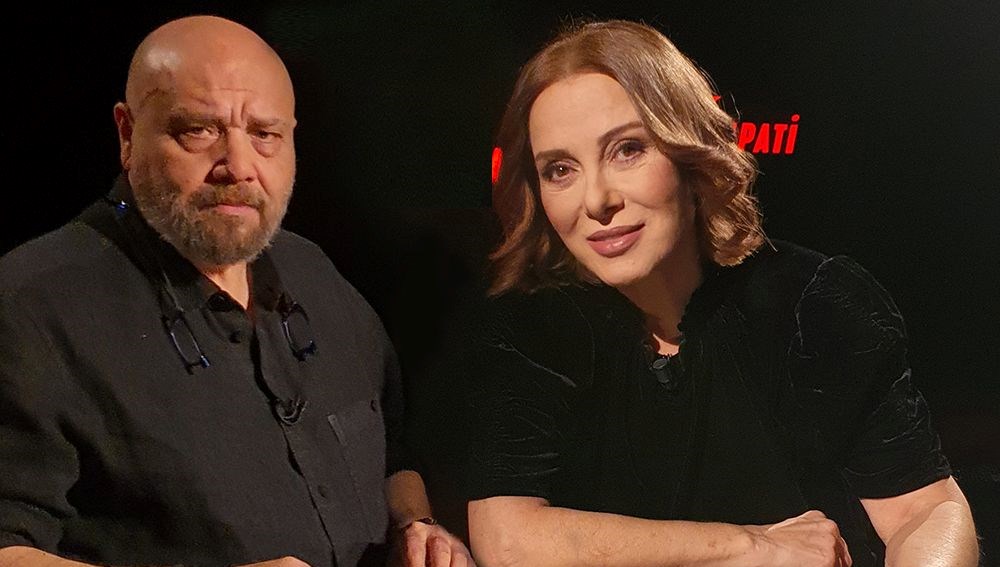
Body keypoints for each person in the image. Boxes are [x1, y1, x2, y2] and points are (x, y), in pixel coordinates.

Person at [463, 20, 979, 567]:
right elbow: (507, 537)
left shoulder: (814, 304)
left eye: (628, 149)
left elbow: (925, 510)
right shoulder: (534, 329)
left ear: (690, 152)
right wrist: (751, 547)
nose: (596, 200)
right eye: (560, 169)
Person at [0, 15, 472, 567]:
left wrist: (416, 526)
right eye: (200, 130)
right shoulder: (31, 305)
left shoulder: (314, 273)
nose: (240, 167)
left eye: (265, 135)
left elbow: (391, 450)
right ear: (127, 134)